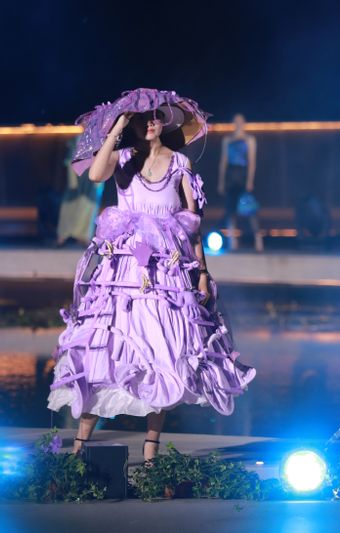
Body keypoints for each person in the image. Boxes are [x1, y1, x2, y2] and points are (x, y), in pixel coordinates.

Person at [48, 89, 256, 461]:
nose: (149, 123)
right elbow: (95, 174)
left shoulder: (180, 163)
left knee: (165, 352)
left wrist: (202, 272)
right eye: (142, 119)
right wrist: (117, 128)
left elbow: (192, 226)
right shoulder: (123, 158)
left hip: (166, 273)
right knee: (106, 350)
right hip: (122, 274)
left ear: (163, 122)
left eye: (155, 117)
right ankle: (80, 446)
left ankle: (150, 451)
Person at [217, 114, 263, 251]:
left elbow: (252, 161)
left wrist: (250, 181)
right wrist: (221, 181)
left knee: (249, 209)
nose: (238, 123)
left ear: (244, 123)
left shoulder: (249, 139)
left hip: (243, 175)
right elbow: (223, 161)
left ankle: (258, 239)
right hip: (231, 176)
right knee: (230, 210)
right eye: (236, 121)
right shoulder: (227, 140)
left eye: (240, 121)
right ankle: (232, 240)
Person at [56, 135, 104, 247]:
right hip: (77, 177)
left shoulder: (99, 139)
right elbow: (70, 160)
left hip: (92, 178)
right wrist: (72, 181)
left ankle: (84, 236)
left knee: (88, 206)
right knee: (69, 205)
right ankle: (63, 235)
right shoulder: (75, 140)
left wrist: (99, 180)